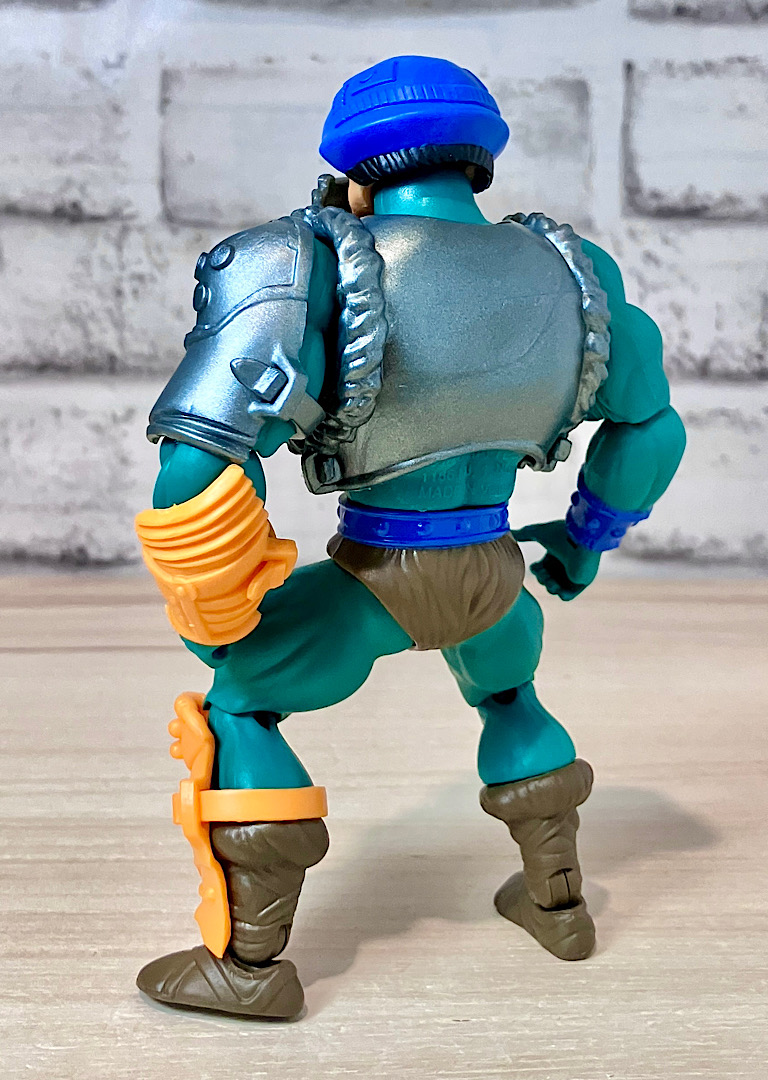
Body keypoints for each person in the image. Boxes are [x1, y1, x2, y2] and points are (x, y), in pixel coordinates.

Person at [134, 55, 686, 1019]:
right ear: (475, 158)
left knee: (240, 707)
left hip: (375, 579)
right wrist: (584, 539)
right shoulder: (574, 273)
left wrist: (213, 609)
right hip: (495, 575)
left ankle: (249, 966)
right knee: (509, 693)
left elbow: (199, 457)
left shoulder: (313, 263)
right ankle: (558, 904)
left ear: (356, 170)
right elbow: (651, 426)